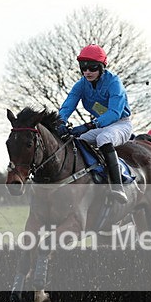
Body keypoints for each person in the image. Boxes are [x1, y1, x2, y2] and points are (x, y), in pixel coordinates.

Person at [56, 44, 132, 204]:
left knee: (104, 138)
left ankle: (118, 186)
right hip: (101, 126)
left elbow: (114, 113)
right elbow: (68, 105)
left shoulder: (114, 82)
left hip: (121, 125)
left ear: (102, 67)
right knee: (78, 140)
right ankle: (91, 176)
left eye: (92, 68)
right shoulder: (81, 84)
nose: (87, 72)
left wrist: (89, 126)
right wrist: (61, 121)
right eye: (83, 68)